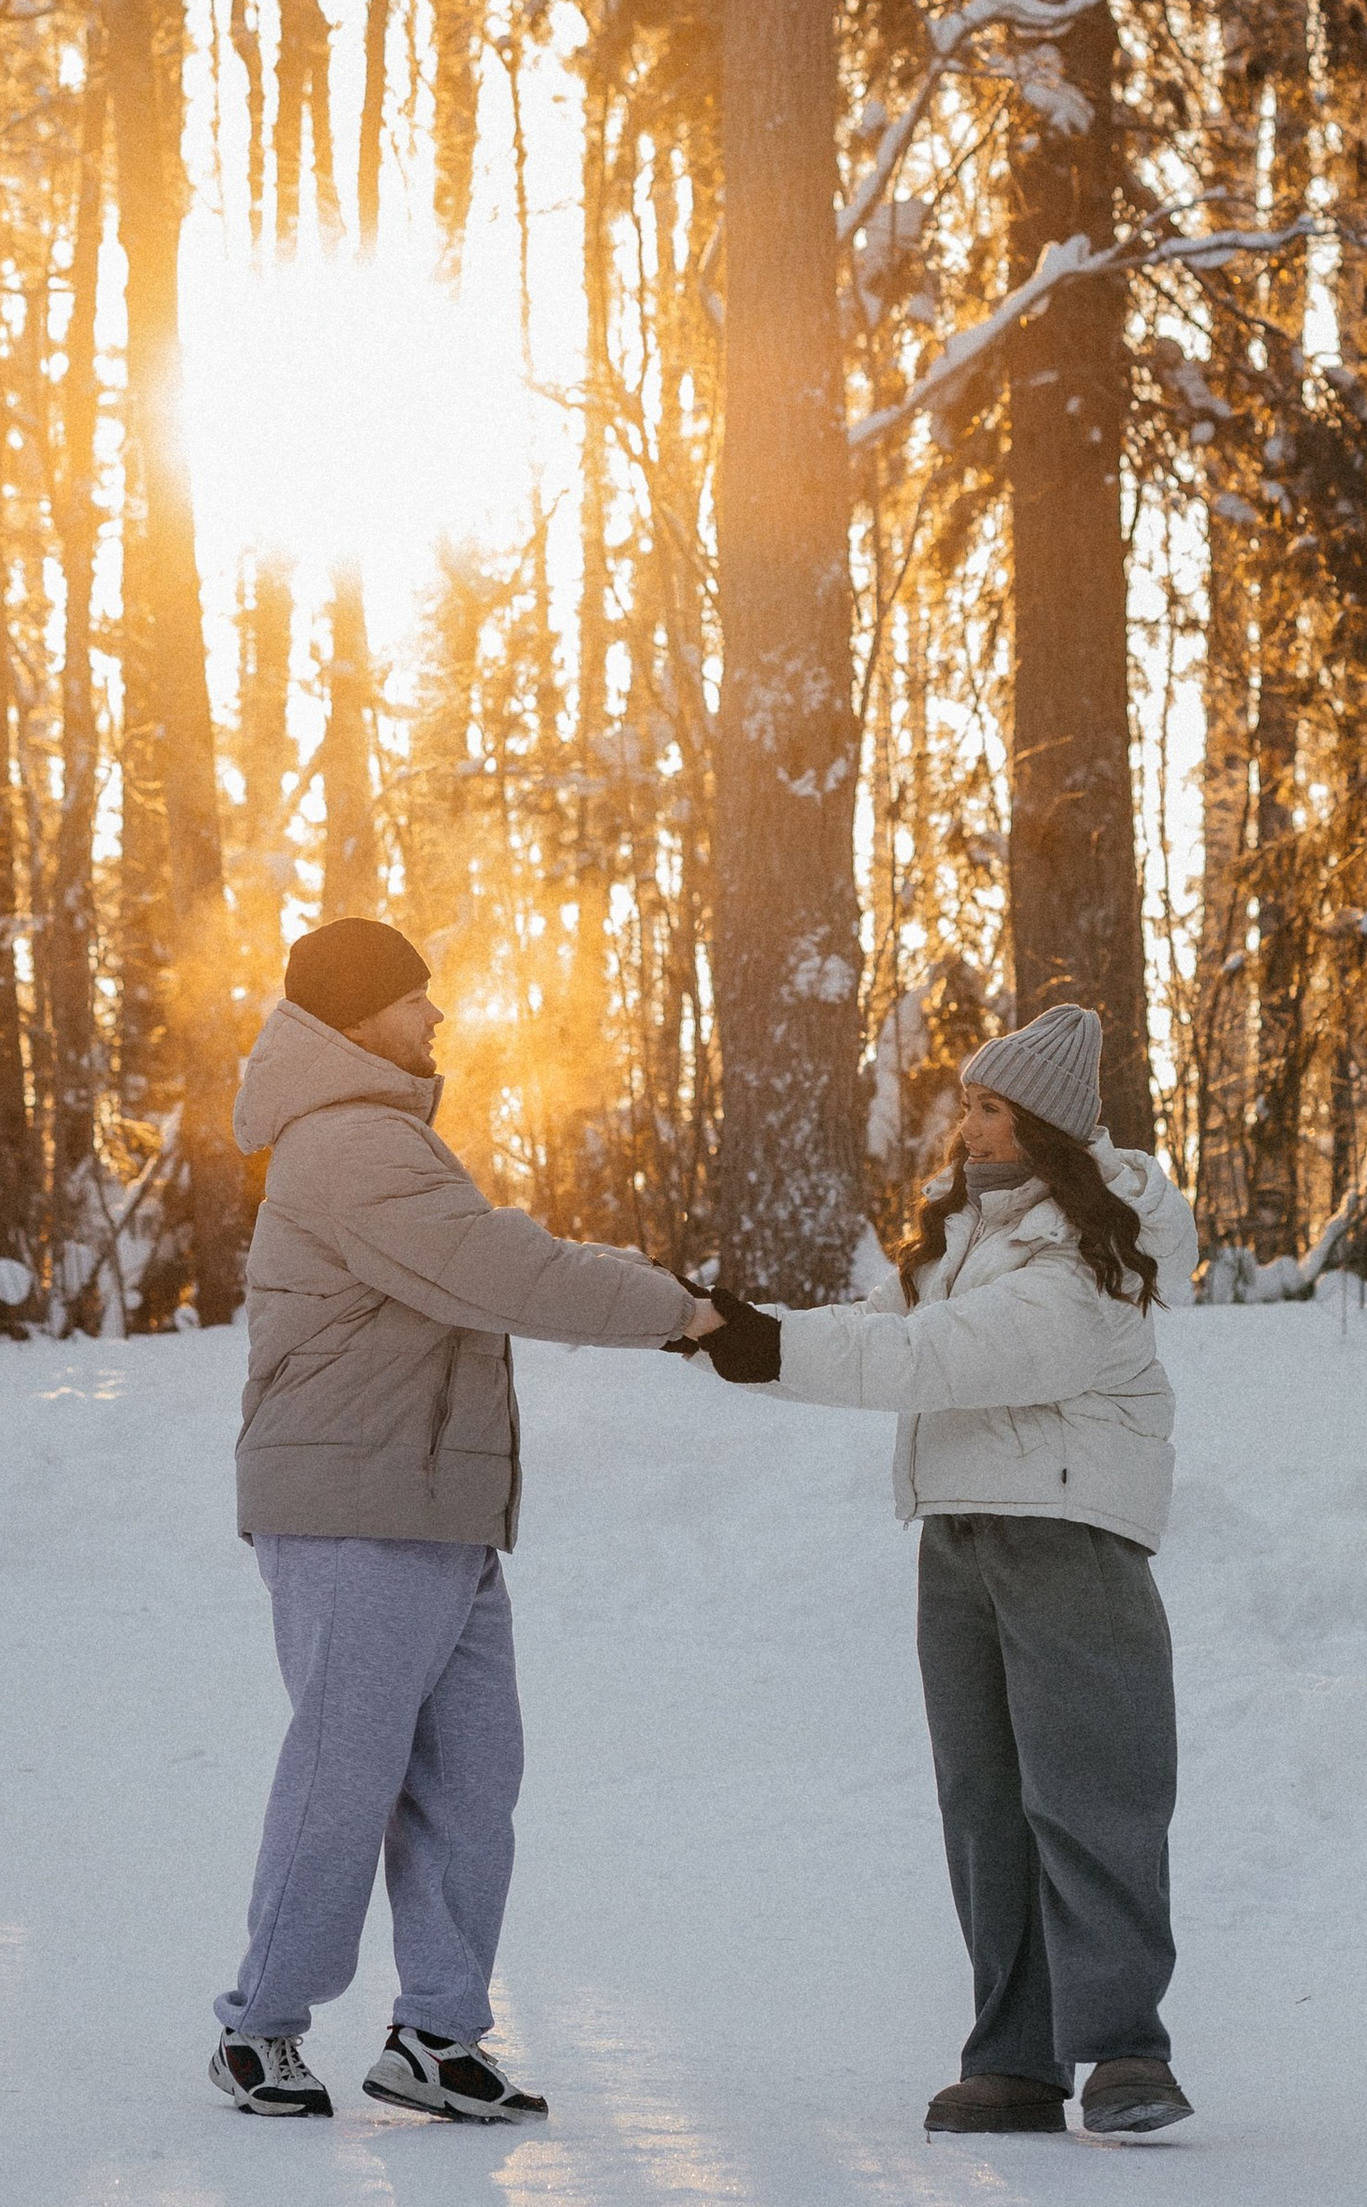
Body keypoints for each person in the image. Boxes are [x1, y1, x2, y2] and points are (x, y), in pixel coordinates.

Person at [211, 916, 719, 2122]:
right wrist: (682, 1312)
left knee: (471, 1776)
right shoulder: (345, 1145)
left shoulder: (379, 1135)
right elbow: (499, 1268)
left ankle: (436, 2035)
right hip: (353, 1505)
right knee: (347, 1771)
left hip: (432, 1505)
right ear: (352, 1016)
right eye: (412, 998)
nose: (436, 1016)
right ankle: (260, 2029)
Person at [691, 1004, 1198, 2139]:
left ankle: (1124, 2052)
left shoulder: (1092, 1246)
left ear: (1045, 1126)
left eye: (986, 1107)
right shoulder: (966, 1234)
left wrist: (765, 1345)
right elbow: (877, 1328)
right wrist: (733, 1332)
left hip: (1067, 1531)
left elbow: (951, 1355)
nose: (962, 1127)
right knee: (984, 1803)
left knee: (1090, 1793)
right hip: (960, 1532)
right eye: (965, 1104)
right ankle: (1014, 2057)